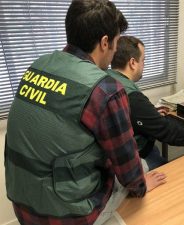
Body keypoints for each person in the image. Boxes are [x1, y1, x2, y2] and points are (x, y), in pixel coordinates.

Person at [4, 1, 166, 225]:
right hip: (67, 217)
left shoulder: (37, 65)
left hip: (22, 205)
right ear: (105, 42)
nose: (116, 51)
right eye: (117, 42)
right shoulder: (105, 89)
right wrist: (141, 186)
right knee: (150, 165)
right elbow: (129, 171)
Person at [108, 36, 184, 170]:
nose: (144, 65)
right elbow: (167, 131)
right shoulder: (133, 98)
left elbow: (130, 115)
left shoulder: (108, 78)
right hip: (137, 156)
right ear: (132, 63)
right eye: (143, 60)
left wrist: (150, 115)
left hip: (119, 152)